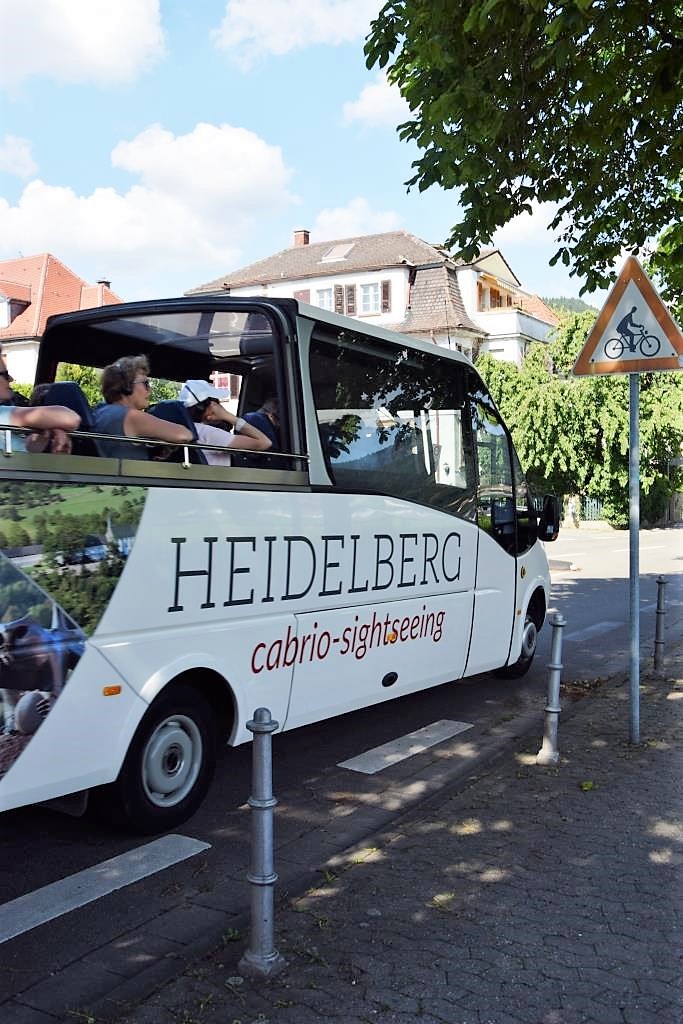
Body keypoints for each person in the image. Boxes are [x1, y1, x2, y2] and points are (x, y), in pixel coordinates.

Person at [92, 356, 193, 460]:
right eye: (145, 383)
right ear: (127, 385)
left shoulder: (99, 412)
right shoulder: (132, 416)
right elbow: (184, 435)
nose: (149, 390)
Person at [0, 348, 79, 453]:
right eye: (5, 375)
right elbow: (71, 418)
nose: (10, 379)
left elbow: (23, 450)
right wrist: (54, 424)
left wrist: (51, 428)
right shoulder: (3, 414)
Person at [179, 380, 272, 466]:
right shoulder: (208, 433)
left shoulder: (181, 429)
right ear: (203, 407)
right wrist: (228, 416)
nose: (220, 406)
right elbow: (265, 443)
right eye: (216, 402)